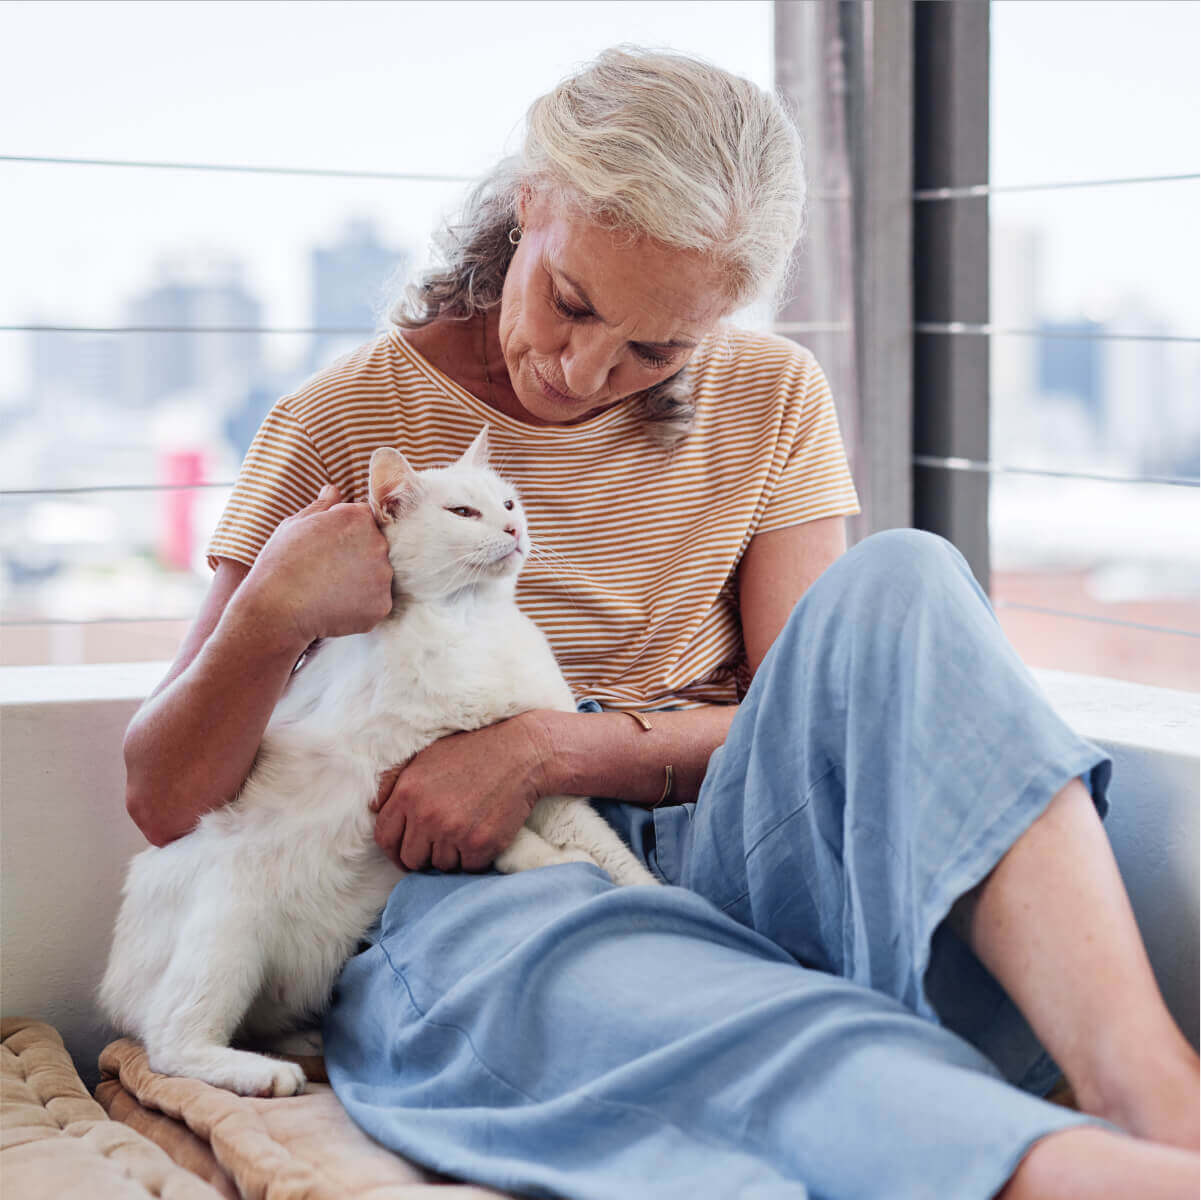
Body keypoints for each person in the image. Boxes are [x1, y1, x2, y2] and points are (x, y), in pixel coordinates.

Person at [123, 46, 1199, 1200]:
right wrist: (269, 613)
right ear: (530, 200)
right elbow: (164, 799)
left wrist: (547, 748)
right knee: (690, 1006)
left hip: (729, 844)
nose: (585, 370)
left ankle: (1153, 1093)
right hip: (465, 893)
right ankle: (1054, 1170)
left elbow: (812, 724)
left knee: (907, 578)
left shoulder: (773, 397)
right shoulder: (346, 422)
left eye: (657, 347)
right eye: (569, 302)